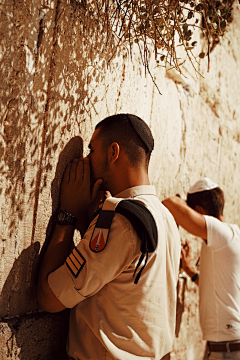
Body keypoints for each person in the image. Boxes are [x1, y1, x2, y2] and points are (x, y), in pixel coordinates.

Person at [37, 113, 181, 360]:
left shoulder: (119, 219)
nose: (86, 159)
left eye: (92, 150)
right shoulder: (167, 219)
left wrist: (68, 215)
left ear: (113, 152)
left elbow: (49, 298)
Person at [162, 178, 240, 359]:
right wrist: (191, 271)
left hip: (226, 349)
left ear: (199, 212)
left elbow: (170, 204)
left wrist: (182, 202)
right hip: (224, 346)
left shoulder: (220, 233)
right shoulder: (232, 235)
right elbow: (221, 286)